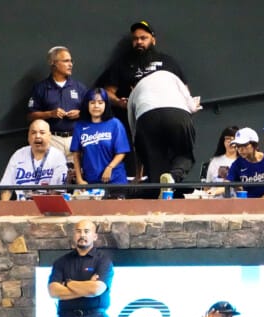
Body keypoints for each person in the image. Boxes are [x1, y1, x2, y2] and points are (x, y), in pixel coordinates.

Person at [104, 20, 197, 190]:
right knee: (182, 155)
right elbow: (108, 91)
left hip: (147, 118)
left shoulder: (168, 62)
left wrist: (139, 175)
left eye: (143, 38)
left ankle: (165, 186)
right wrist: (119, 102)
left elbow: (184, 89)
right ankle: (172, 180)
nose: (139, 42)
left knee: (156, 165)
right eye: (135, 39)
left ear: (153, 39)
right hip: (156, 114)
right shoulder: (123, 64)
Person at [27, 46, 87, 159]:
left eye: (71, 61)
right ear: (53, 63)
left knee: (76, 174)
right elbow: (30, 116)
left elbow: (92, 112)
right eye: (66, 61)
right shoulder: (41, 88)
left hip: (76, 138)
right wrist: (50, 114)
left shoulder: (79, 87)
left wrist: (80, 113)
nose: (71, 64)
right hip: (52, 139)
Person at [70, 87, 131, 191]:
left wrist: (109, 167)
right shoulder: (80, 126)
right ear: (87, 105)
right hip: (90, 182)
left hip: (115, 180)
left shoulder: (115, 124)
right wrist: (80, 180)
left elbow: (121, 152)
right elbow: (76, 155)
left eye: (100, 102)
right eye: (92, 102)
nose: (96, 106)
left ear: (106, 104)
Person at [0, 120, 68, 200]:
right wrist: (4, 208)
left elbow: (57, 191)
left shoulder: (57, 156)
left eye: (42, 133)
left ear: (50, 136)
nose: (37, 136)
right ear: (28, 137)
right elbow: (6, 187)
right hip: (23, 205)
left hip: (48, 205)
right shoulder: (18, 155)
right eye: (33, 133)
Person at [226, 127, 264, 198]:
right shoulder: (237, 164)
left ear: (254, 145)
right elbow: (227, 183)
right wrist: (213, 191)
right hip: (246, 205)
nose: (240, 149)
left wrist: (259, 203)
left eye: (244, 145)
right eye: (238, 146)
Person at [202, 125, 239, 197]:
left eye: (233, 139)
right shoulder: (215, 161)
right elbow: (207, 185)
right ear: (223, 141)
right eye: (228, 139)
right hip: (215, 202)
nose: (231, 142)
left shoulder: (242, 161)